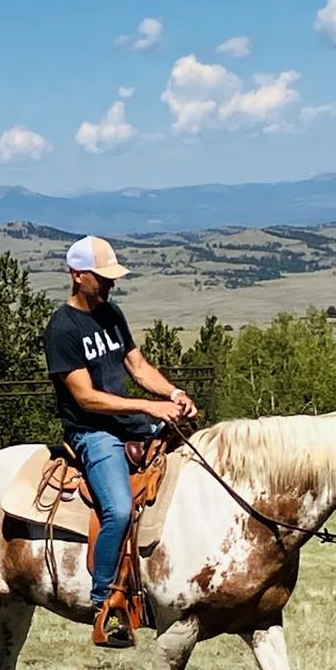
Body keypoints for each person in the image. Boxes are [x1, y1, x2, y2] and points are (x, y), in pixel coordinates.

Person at [43, 236, 199, 647]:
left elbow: (138, 365)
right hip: (91, 432)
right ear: (78, 276)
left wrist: (172, 395)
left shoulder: (112, 314)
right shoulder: (61, 328)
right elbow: (85, 397)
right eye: (101, 277)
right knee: (119, 508)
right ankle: (105, 602)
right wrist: (148, 409)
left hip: (129, 422)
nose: (110, 284)